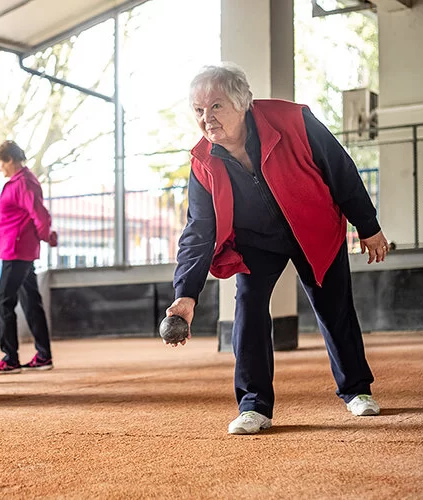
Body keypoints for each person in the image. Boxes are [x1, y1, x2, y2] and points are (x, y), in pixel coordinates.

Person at [166, 64, 389, 435]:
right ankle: (254, 405)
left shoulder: (293, 120)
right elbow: (198, 231)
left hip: (312, 226)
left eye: (216, 106)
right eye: (198, 110)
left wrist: (368, 227)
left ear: (242, 103)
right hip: (255, 241)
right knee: (249, 310)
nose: (206, 119)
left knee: (334, 308)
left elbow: (340, 169)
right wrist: (185, 294)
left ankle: (356, 390)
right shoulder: (202, 161)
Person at [0, 141, 58, 374]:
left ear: (10, 159)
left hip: (17, 250)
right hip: (17, 249)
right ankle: (43, 356)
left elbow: (39, 214)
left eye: (0, 163)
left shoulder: (24, 182)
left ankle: (10, 359)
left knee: (3, 302)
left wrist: (46, 236)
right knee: (31, 302)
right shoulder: (19, 182)